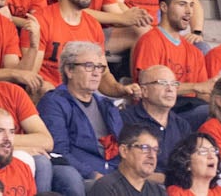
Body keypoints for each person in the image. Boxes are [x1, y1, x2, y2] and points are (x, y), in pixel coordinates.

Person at [39, 42, 122, 194]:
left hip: (114, 173)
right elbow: (59, 151)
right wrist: (93, 174)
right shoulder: (54, 102)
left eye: (99, 67)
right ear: (69, 70)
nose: (97, 73)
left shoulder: (107, 105)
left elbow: (123, 146)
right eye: (89, 66)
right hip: (83, 175)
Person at [121, 66, 189, 174]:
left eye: (174, 84)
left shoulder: (181, 125)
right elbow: (123, 166)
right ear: (144, 91)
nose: (170, 89)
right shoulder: (126, 119)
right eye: (162, 83)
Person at [85, 124, 167, 196]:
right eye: (145, 148)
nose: (152, 155)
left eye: (155, 150)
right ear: (124, 151)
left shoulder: (158, 192)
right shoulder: (106, 188)